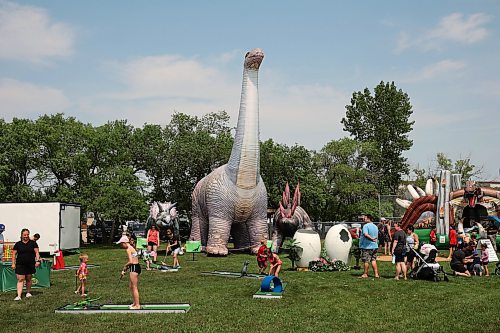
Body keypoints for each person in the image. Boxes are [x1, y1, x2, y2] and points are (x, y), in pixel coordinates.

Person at [11, 228, 41, 301]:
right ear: (21, 235)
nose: (26, 236)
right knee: (20, 279)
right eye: (24, 235)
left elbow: (37, 252)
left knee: (28, 278)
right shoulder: (18, 244)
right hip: (20, 264)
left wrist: (37, 261)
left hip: (30, 264)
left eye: (27, 234)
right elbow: (14, 254)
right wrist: (13, 263)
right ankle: (19, 295)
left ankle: (28, 292)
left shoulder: (33, 243)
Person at [117, 235, 141, 310]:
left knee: (134, 287)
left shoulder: (128, 249)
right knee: (131, 286)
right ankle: (134, 303)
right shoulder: (131, 247)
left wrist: (124, 266)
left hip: (134, 267)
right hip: (135, 267)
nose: (121, 246)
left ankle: (137, 305)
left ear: (124, 243)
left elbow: (131, 261)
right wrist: (125, 269)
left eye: (121, 244)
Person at [359, 214, 379, 278]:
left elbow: (365, 234)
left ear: (368, 218)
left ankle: (365, 274)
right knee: (373, 260)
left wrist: (371, 239)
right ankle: (376, 274)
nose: (363, 219)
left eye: (365, 218)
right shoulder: (375, 226)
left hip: (367, 246)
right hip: (375, 246)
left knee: (366, 260)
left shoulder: (366, 226)